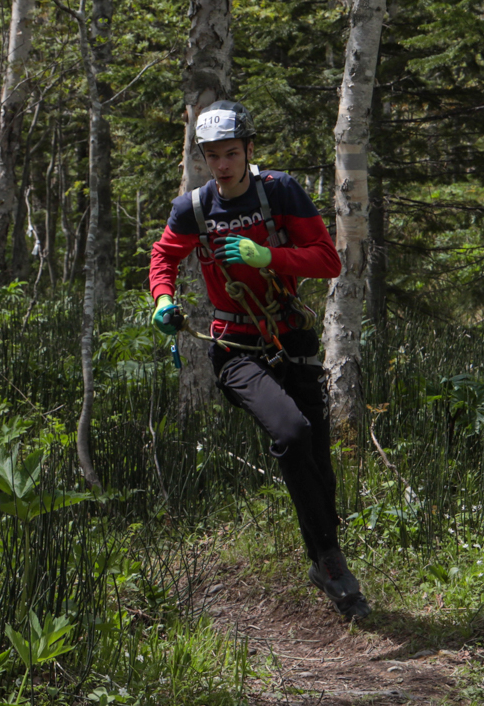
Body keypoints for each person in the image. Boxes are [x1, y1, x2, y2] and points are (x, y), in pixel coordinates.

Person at [148, 100, 371, 620]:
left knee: (316, 455)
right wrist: (162, 299)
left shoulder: (281, 192)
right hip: (234, 348)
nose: (222, 165)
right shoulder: (194, 209)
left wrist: (269, 256)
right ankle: (334, 566)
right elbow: (164, 256)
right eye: (211, 156)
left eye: (231, 153)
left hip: (291, 338)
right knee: (291, 433)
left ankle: (326, 563)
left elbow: (327, 258)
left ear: (249, 150)